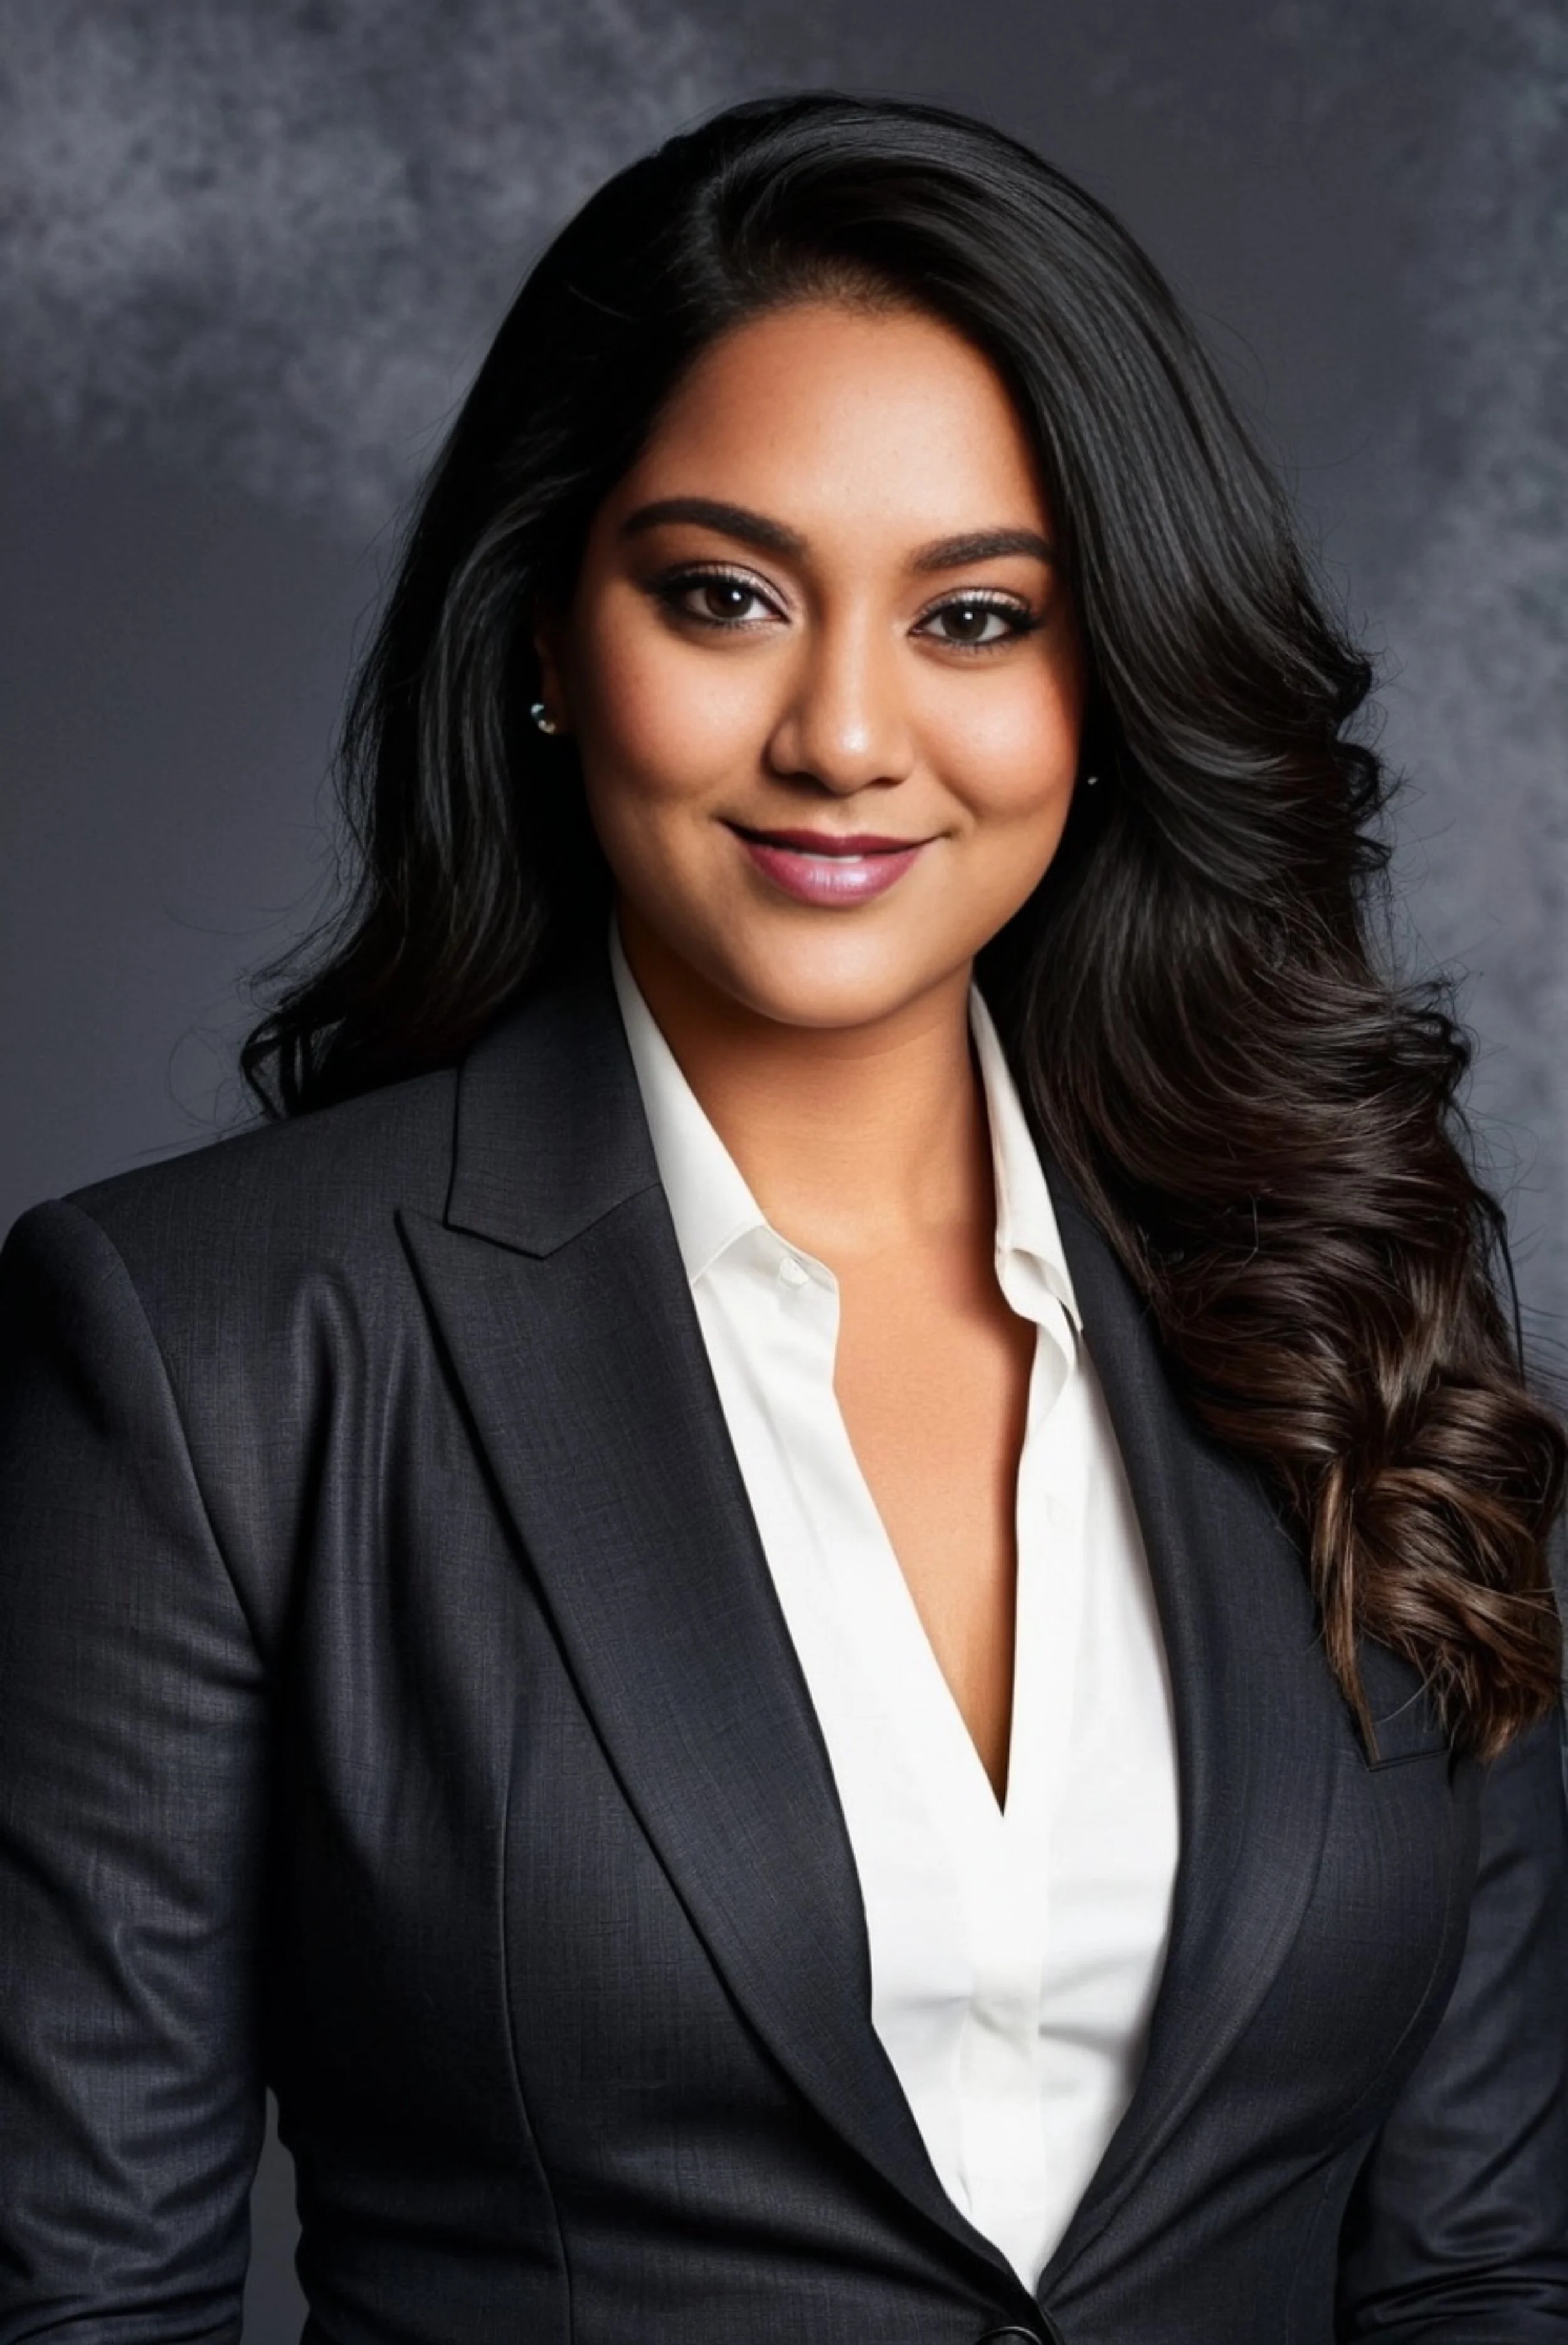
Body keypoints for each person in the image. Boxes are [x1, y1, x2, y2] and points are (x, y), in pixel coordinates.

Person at [1, 90, 1564, 2345]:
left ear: (1101, 677)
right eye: (724, 595)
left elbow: (1485, 2268)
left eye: (975, 613)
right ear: (550, 637)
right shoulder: (208, 1348)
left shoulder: (1350, 1307)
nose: (844, 731)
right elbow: (84, 2312)